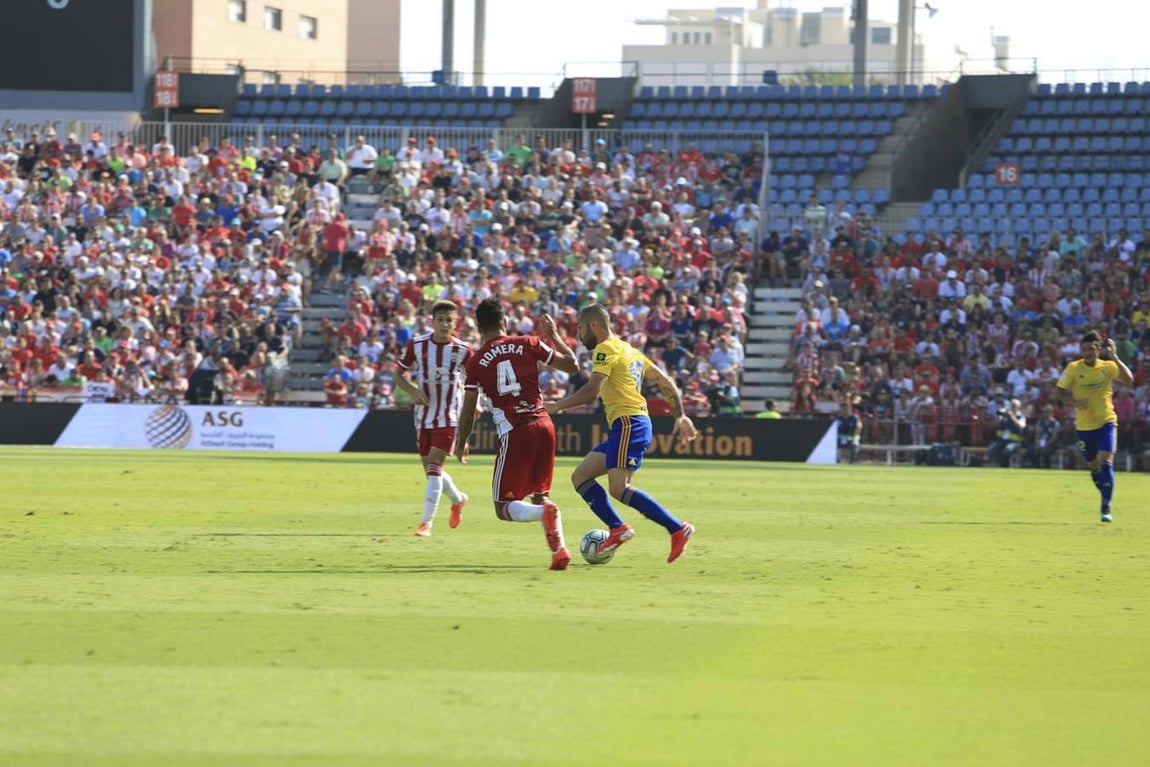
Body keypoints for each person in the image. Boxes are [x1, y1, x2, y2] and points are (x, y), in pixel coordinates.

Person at [545, 304, 697, 564]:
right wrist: (680, 415)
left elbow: (593, 390)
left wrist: (557, 405)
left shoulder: (605, 349)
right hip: (626, 424)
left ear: (594, 325)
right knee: (581, 476)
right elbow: (665, 382)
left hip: (630, 422)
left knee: (619, 488)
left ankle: (676, 528)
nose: (580, 335)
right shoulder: (631, 350)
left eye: (581, 328)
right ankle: (618, 528)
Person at [454, 297, 580, 570]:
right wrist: (555, 336)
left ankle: (546, 514)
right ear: (504, 322)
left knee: (503, 507)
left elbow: (468, 412)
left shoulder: (475, 363)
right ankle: (558, 551)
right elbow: (572, 366)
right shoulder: (529, 343)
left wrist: (461, 441)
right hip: (545, 425)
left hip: (516, 430)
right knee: (539, 494)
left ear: (479, 328)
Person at [395, 300, 473, 537]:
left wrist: (476, 404)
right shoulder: (417, 345)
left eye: (449, 320)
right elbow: (398, 375)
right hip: (423, 416)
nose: (444, 324)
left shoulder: (463, 350)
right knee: (431, 472)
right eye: (440, 319)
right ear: (432, 320)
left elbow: (474, 382)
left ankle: (426, 523)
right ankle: (458, 499)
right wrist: (414, 392)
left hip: (448, 415)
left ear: (455, 322)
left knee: (435, 466)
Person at [1055, 331, 1134, 522]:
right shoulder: (1073, 368)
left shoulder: (1107, 367)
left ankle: (1105, 506)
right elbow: (1059, 392)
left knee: (1106, 460)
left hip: (1106, 420)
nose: (1088, 352)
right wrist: (1074, 402)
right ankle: (1105, 493)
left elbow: (1129, 380)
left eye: (1091, 349)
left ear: (1099, 350)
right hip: (1084, 426)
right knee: (1093, 465)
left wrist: (1115, 357)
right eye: (1084, 349)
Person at [986, 397, 1026, 468]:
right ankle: (997, 463)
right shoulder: (1005, 416)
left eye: (1014, 406)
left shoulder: (1021, 417)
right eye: (1011, 406)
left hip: (1014, 441)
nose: (1012, 408)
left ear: (1018, 407)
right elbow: (995, 424)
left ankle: (1004, 466)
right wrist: (999, 416)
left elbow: (1021, 426)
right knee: (991, 450)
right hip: (1001, 440)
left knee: (1007, 450)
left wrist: (1012, 417)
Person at [836, 399, 862, 463]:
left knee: (854, 445)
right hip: (840, 437)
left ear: (850, 408)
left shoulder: (854, 418)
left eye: (846, 408)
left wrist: (854, 438)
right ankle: (837, 460)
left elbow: (859, 427)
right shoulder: (838, 418)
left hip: (851, 437)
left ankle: (852, 461)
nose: (844, 409)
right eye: (843, 408)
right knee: (833, 444)